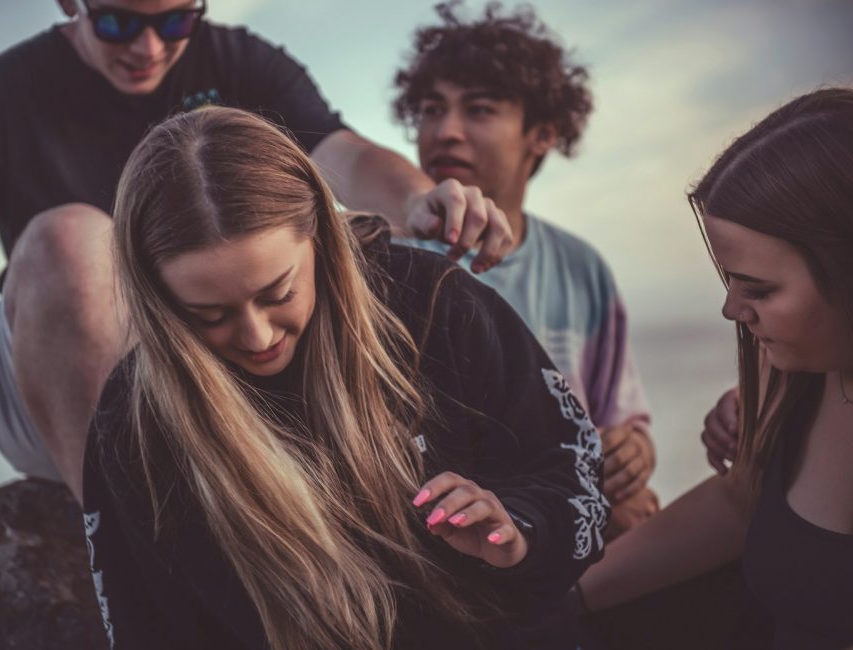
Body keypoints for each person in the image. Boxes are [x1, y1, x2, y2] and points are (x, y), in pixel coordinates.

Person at [0, 0, 517, 613]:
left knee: (337, 233)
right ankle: (145, 556)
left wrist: (420, 199)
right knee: (73, 242)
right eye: (117, 22)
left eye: (174, 21)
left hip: (219, 359)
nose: (147, 46)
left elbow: (347, 156)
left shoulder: (239, 62)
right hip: (56, 379)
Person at [81, 106, 607, 649]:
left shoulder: (431, 303)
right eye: (208, 315)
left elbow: (574, 472)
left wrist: (517, 532)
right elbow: (145, 627)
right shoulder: (132, 423)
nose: (257, 337)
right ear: (156, 300)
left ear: (321, 238)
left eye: (278, 293)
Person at [579, 87, 853, 649]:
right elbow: (738, 501)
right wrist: (554, 606)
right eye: (728, 280)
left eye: (758, 288)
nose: (731, 309)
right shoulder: (791, 373)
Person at [392, 1, 657, 539]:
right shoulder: (388, 262)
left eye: (480, 110)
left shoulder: (581, 268)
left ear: (542, 133)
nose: (446, 131)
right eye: (431, 109)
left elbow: (619, 416)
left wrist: (634, 450)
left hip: (558, 535)